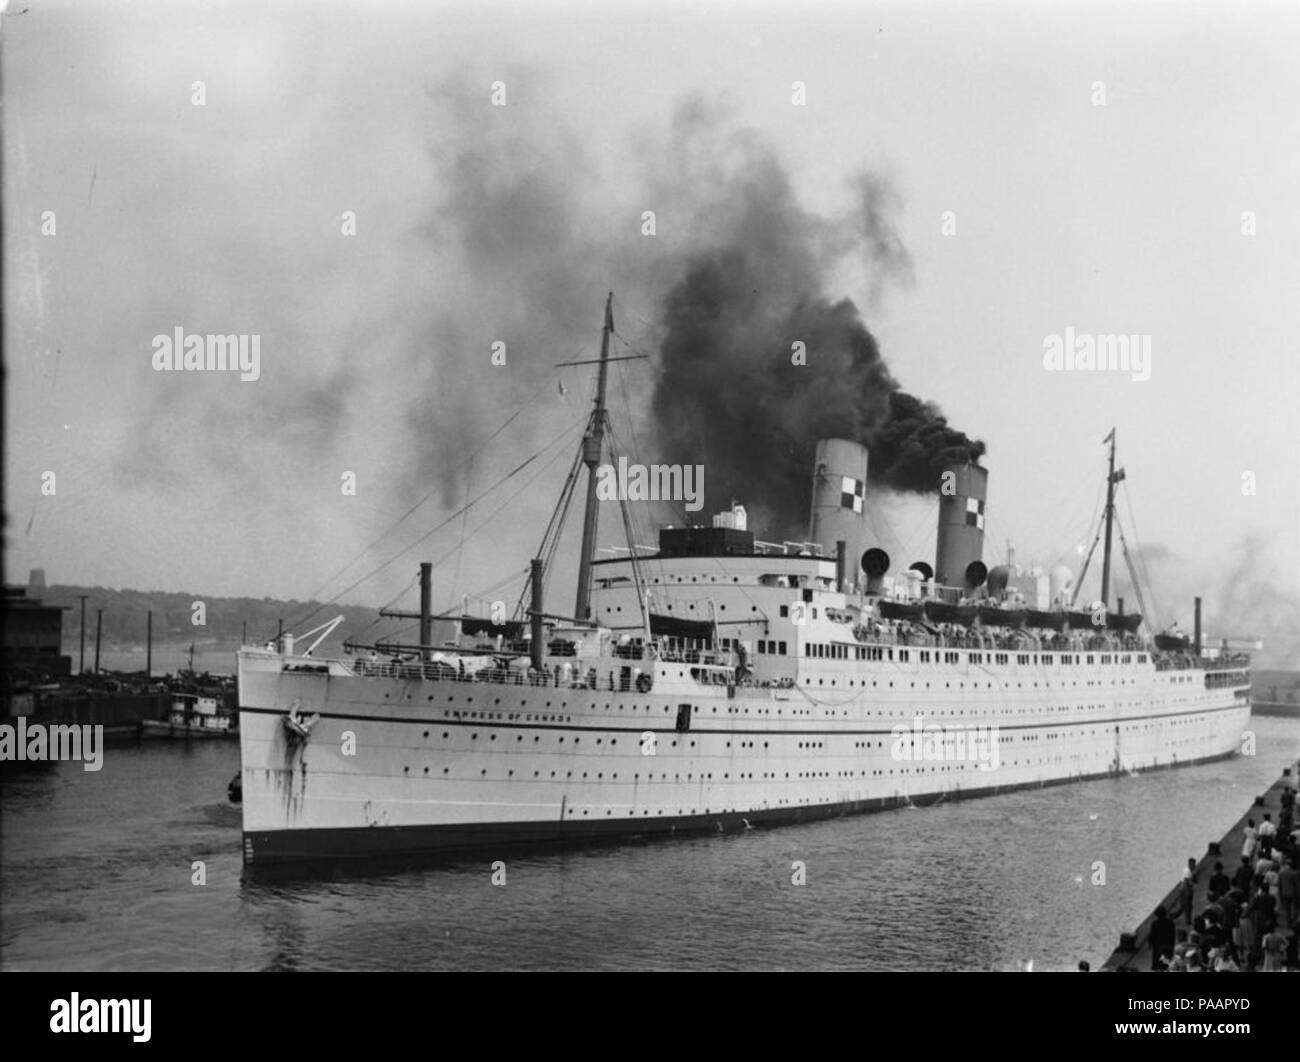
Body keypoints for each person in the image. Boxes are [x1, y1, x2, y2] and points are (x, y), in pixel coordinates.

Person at [1149, 905, 1176, 970]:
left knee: (1157, 961)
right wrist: (1172, 944)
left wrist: (1150, 943)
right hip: (1167, 944)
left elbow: (1152, 935)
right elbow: (1173, 934)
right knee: (1166, 962)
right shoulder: (1170, 922)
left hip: (1157, 945)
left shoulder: (1155, 923)